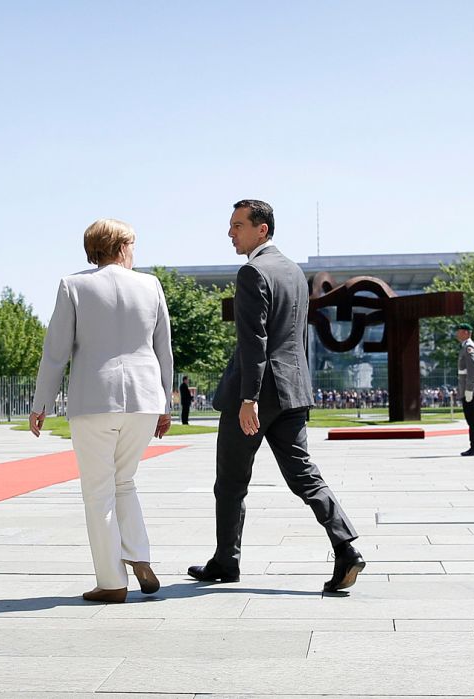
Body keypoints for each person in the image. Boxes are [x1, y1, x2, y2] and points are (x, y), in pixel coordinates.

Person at [191, 199, 364, 594]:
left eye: (237, 225)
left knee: (231, 482)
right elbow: (293, 338)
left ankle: (225, 560)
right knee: (304, 475)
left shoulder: (253, 272)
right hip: (292, 391)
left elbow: (255, 341)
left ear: (261, 230)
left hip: (254, 396)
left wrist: (248, 398)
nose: (230, 232)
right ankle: (345, 547)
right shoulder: (294, 272)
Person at [28, 218, 174, 604]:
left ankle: (112, 580)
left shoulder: (74, 285)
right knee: (124, 481)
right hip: (144, 399)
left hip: (95, 398)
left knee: (98, 491)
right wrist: (166, 403)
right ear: (122, 246)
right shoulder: (150, 285)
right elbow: (164, 349)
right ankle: (139, 555)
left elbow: (56, 351)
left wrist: (41, 402)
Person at [456, 323, 474, 456]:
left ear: (467, 333)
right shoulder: (465, 346)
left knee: (473, 420)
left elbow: (472, 369)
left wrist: (469, 389)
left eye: (460, 331)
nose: (457, 334)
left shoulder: (469, 347)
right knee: (471, 419)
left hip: (471, 389)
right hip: (467, 388)